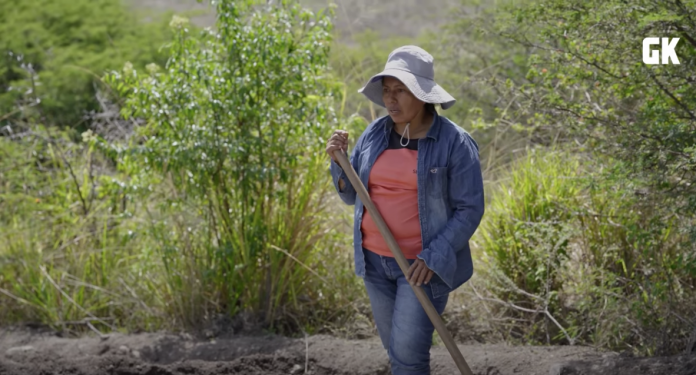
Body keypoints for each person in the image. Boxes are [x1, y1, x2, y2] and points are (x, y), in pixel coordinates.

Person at [325, 45, 485, 374]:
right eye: (386, 91)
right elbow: (351, 196)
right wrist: (338, 162)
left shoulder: (455, 142)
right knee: (398, 353)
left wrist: (434, 255)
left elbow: (470, 209)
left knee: (408, 359)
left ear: (423, 94)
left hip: (420, 267)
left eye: (400, 90)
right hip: (373, 264)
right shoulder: (374, 134)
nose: (390, 99)